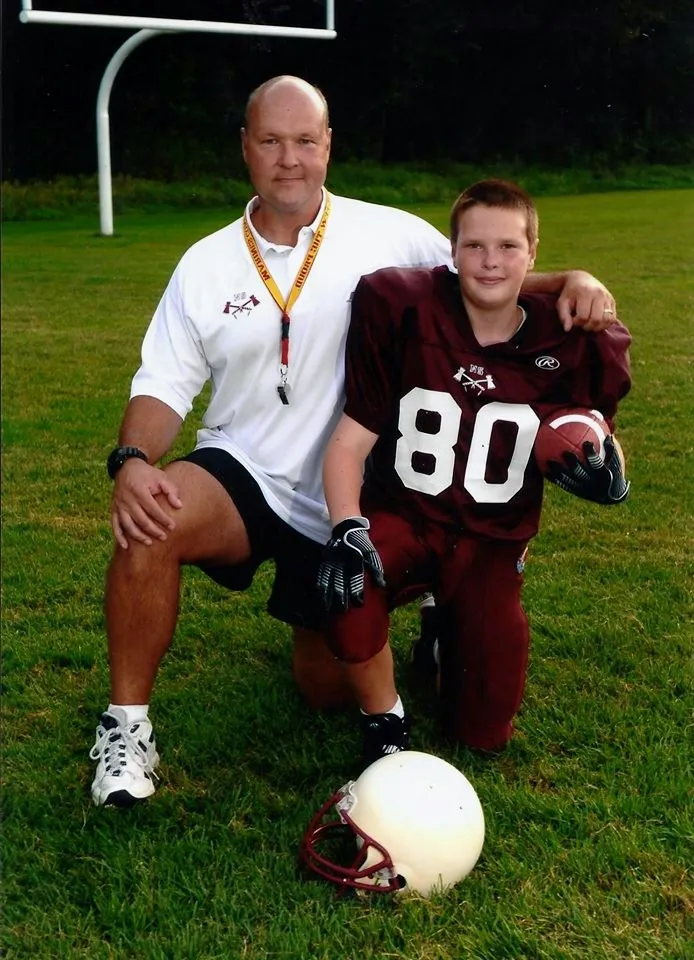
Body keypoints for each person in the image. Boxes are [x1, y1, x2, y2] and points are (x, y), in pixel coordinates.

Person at [90, 76, 621, 807]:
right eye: (271, 141)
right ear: (245, 148)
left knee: (325, 690)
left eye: (305, 141)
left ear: (329, 147)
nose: (289, 159)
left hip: (357, 490)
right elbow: (162, 385)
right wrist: (133, 461)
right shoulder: (205, 263)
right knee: (152, 518)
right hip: (246, 470)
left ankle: (432, 608)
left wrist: (578, 279)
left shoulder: (386, 232)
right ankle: (126, 730)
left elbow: (485, 272)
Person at [316, 179, 631, 767]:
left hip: (490, 541)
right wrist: (345, 527)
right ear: (452, 252)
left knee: (484, 731)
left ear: (534, 253)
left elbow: (599, 435)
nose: (491, 261)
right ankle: (385, 721)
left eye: (509, 247)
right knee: (347, 590)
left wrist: (608, 471)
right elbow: (349, 441)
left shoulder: (570, 337)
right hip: (405, 518)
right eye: (475, 246)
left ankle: (442, 630)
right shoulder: (401, 306)